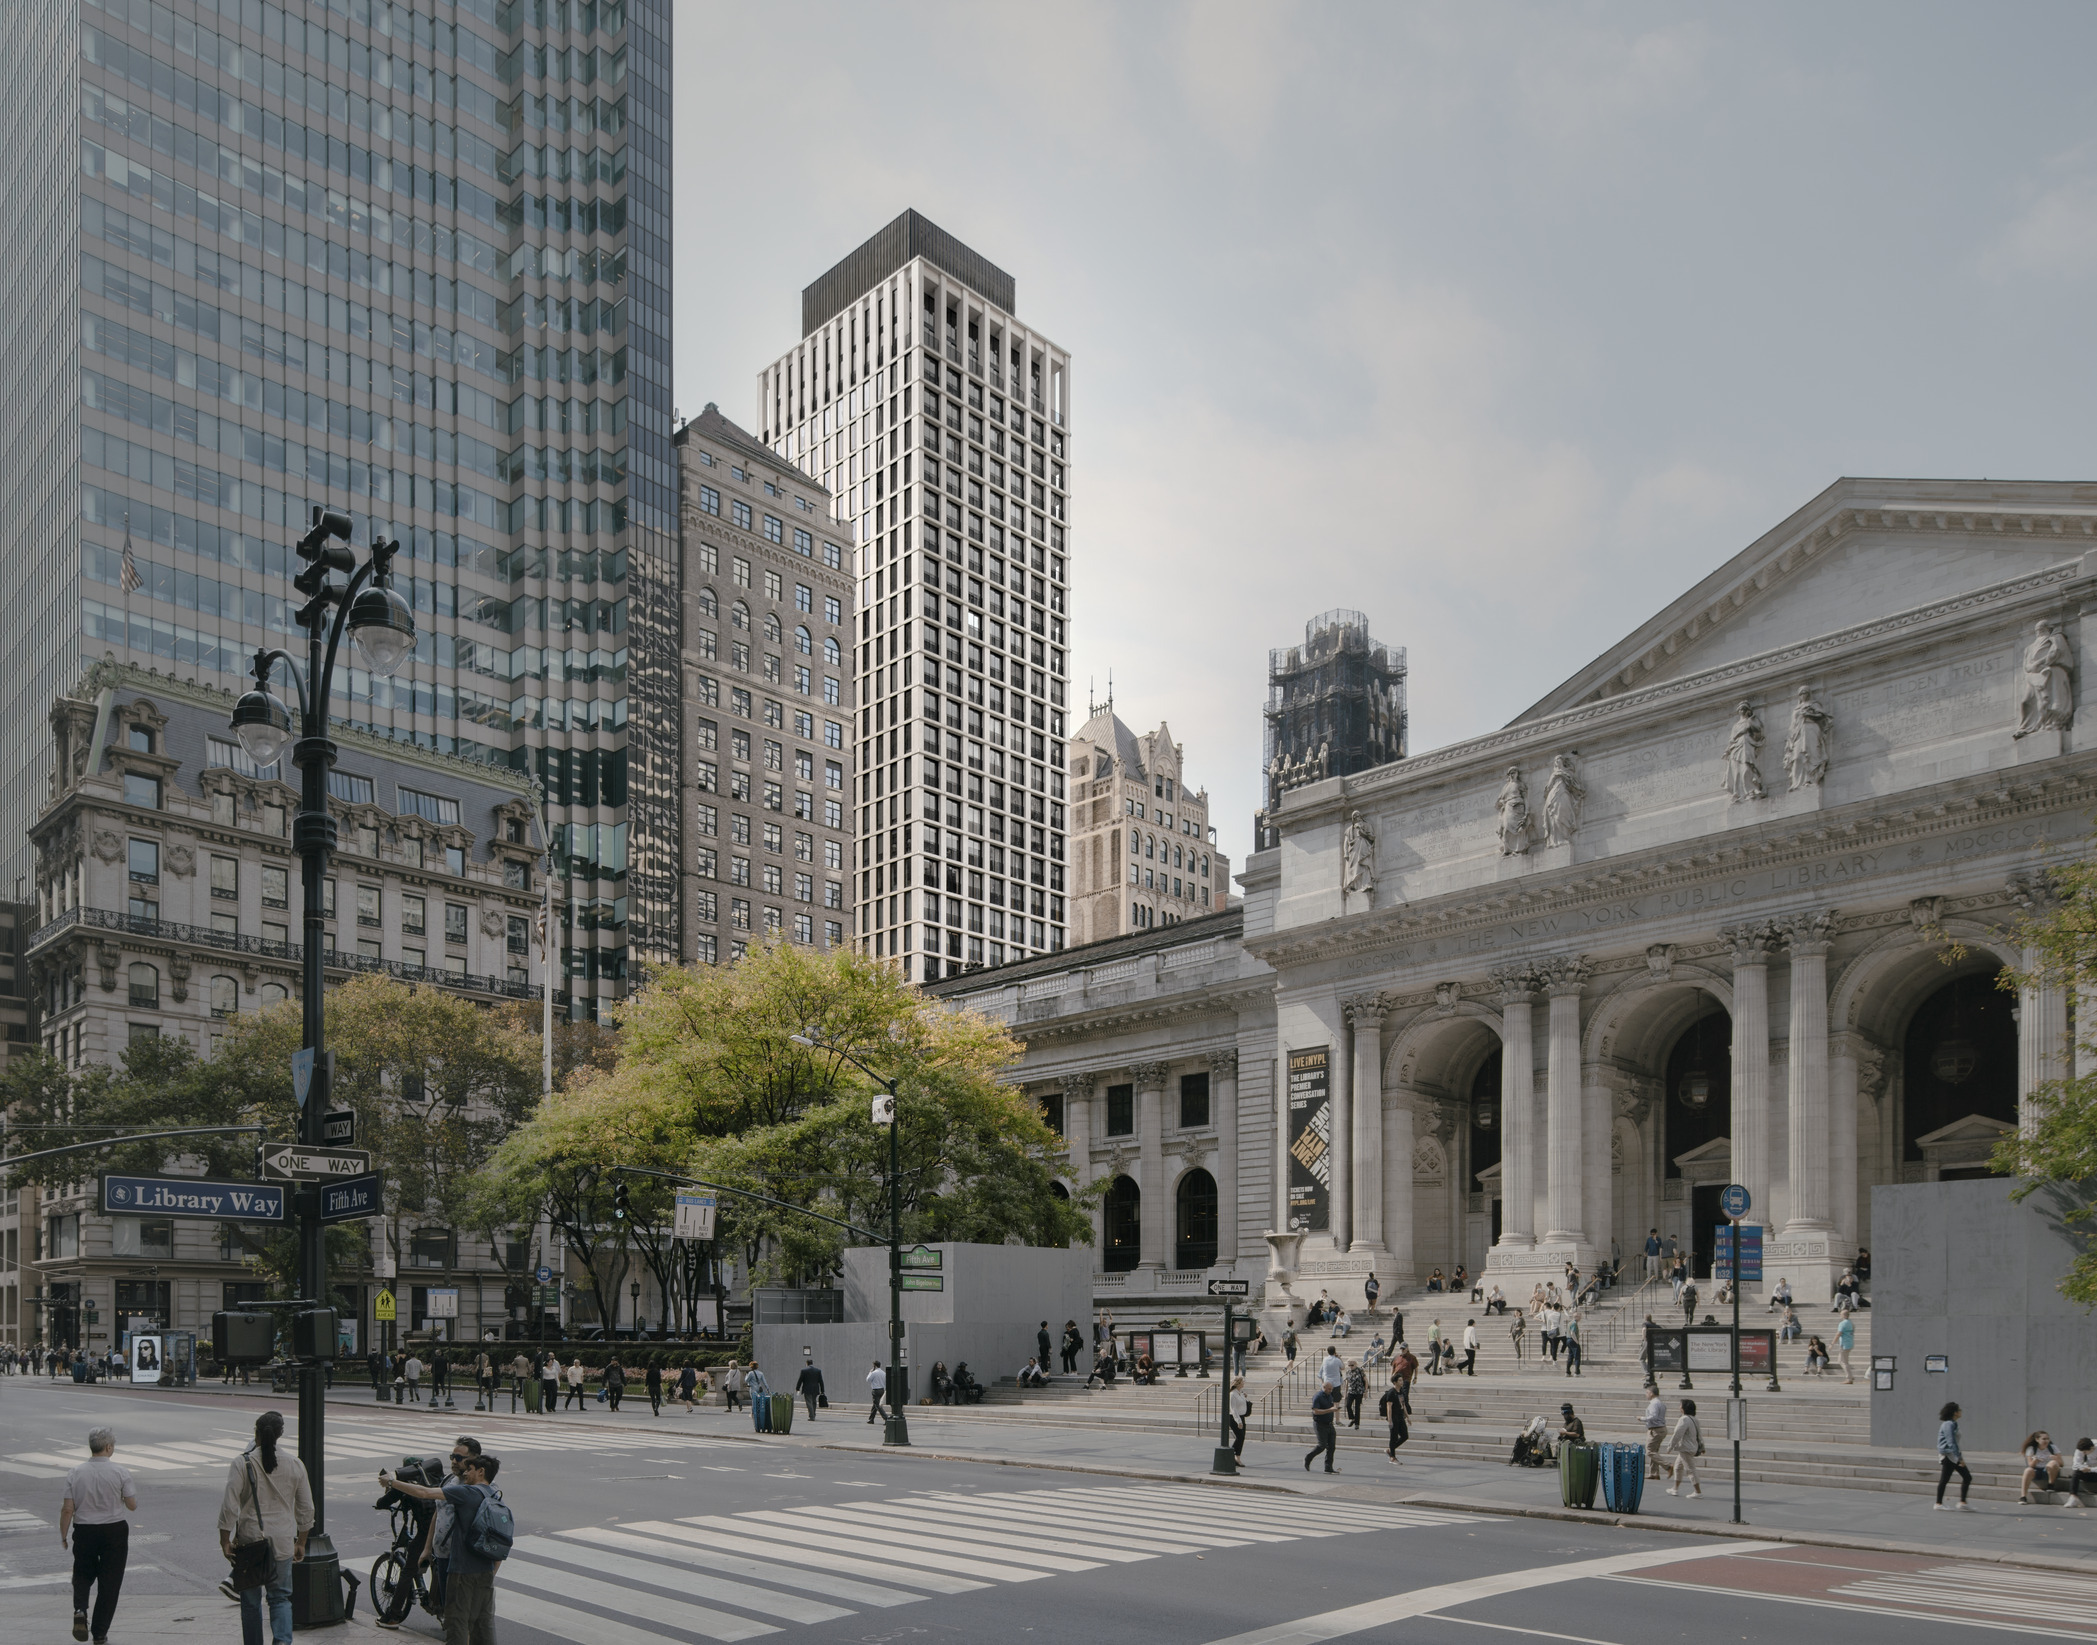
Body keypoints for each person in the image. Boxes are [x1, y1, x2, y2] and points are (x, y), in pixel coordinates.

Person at [379, 1449, 506, 1645]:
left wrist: (391, 1482)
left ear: (481, 1472)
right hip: (486, 1570)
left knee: (457, 1624)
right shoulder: (495, 1494)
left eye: (469, 1469)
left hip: (462, 1571)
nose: (465, 1473)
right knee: (483, 1625)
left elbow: (424, 1492)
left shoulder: (467, 1493)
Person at [218, 1411, 313, 1645]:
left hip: (251, 1541)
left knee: (250, 1602)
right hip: (282, 1541)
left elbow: (230, 1507)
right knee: (280, 1598)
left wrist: (225, 1539)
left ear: (256, 1433)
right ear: (280, 1435)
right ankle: (282, 1642)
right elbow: (306, 1509)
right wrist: (301, 1541)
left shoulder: (242, 1462)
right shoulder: (295, 1464)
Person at [62, 1426, 137, 1645]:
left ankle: (80, 1610)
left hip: (84, 1530)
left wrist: (63, 1535)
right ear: (109, 1447)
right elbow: (132, 1505)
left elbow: (67, 1508)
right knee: (110, 1582)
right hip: (114, 1529)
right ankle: (100, 1632)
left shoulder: (75, 1472)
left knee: (82, 1572)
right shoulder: (121, 1472)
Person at [1936, 1402, 1973, 1510]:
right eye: (1959, 1410)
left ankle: (1963, 1502)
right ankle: (1938, 1503)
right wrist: (1960, 1458)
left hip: (1953, 1455)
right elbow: (1951, 1442)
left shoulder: (1953, 1423)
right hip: (1948, 1455)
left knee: (1967, 1477)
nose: (1961, 1411)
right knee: (1944, 1479)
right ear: (1955, 1413)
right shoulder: (1948, 1424)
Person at [1664, 1398, 1702, 1497]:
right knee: (1677, 1467)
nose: (1679, 1407)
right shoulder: (1694, 1419)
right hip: (1689, 1447)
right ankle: (1675, 1488)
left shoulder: (1684, 1419)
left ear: (1684, 1408)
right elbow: (1699, 1434)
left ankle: (1698, 1492)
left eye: (1680, 1405)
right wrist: (1702, 1446)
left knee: (1690, 1469)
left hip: (1686, 1448)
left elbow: (1677, 1434)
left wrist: (1670, 1446)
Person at [1304, 1377, 1340, 1473]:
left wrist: (1334, 1408)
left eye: (1331, 1389)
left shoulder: (1330, 1396)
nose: (1330, 1391)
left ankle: (1328, 1467)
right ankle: (1309, 1457)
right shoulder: (1318, 1396)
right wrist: (1330, 1410)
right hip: (1320, 1424)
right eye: (1328, 1389)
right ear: (1323, 1387)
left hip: (1329, 1424)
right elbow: (1316, 1411)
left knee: (1332, 1446)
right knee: (1322, 1445)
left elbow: (1330, 1407)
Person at [2022, 1431, 2066, 1502]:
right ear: (2037, 1439)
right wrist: (2035, 1461)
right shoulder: (2031, 1449)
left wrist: (2056, 1459)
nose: (2046, 1441)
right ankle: (2023, 1496)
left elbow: (2062, 1464)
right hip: (2037, 1471)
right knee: (2027, 1470)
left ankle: (2050, 1485)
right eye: (2044, 1439)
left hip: (2049, 1472)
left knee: (2053, 1463)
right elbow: (2030, 1465)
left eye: (2047, 1439)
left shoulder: (2053, 1447)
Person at [1378, 1372, 1410, 1463]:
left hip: (1400, 1416)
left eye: (1402, 1380)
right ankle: (1392, 1457)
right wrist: (1390, 1419)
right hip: (1394, 1416)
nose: (1402, 1382)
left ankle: (1390, 1450)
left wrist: (1407, 1417)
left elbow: (1403, 1405)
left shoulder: (1401, 1392)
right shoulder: (1391, 1393)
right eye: (1400, 1380)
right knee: (1394, 1437)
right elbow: (1389, 1407)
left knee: (1405, 1436)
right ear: (1395, 1382)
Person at [1643, 1385, 1669, 1478]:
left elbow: (1653, 1417)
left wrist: (1642, 1418)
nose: (1646, 1395)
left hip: (1656, 1429)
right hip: (1660, 1428)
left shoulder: (1654, 1404)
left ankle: (1668, 1466)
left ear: (1651, 1393)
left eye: (1647, 1392)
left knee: (1649, 1451)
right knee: (1654, 1450)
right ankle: (1654, 1473)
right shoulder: (1660, 1403)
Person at [1227, 1376, 1251, 1461]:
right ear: (1238, 1383)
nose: (1243, 1383)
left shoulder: (1240, 1393)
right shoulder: (1232, 1394)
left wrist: (1245, 1397)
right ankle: (1229, 1453)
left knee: (1241, 1437)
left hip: (1241, 1417)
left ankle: (1237, 1457)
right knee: (1240, 1437)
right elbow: (1233, 1409)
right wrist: (1238, 1421)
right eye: (1242, 1382)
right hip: (1234, 1418)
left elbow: (1241, 1405)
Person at [2067, 1438, 2097, 1505]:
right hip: (2088, 1472)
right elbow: (2076, 1465)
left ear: (2092, 1448)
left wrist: (2091, 1469)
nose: (2083, 1453)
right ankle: (2073, 1497)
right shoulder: (2080, 1449)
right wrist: (2083, 1468)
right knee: (2076, 1473)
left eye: (2085, 1452)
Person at [1343, 1360, 1366, 1428]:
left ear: (1356, 1364)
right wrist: (1345, 1392)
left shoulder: (1360, 1370)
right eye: (1349, 1365)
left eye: (1352, 1365)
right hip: (1351, 1391)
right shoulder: (1348, 1372)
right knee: (1348, 1405)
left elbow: (1365, 1380)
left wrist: (1365, 1391)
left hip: (1359, 1391)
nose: (1351, 1367)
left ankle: (1357, 1423)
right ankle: (1353, 1418)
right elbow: (1347, 1383)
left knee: (1357, 1407)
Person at [1835, 1314, 1856, 1383]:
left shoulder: (1842, 1323)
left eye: (1841, 1314)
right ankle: (1850, 1376)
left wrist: (1832, 1343)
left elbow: (1839, 1333)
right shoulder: (1851, 1323)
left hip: (1844, 1344)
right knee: (1844, 1361)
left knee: (1842, 1361)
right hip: (1849, 1343)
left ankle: (1849, 1378)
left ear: (1843, 1315)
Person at [865, 1359, 887, 1424]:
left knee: (877, 1405)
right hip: (882, 1390)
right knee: (875, 1405)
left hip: (876, 1390)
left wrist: (870, 1372)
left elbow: (868, 1380)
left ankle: (886, 1418)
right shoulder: (883, 1373)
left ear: (874, 1366)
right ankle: (871, 1419)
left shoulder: (874, 1373)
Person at [1561, 1311, 1582, 1376]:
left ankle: (1568, 1372)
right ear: (1577, 1317)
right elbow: (1572, 1333)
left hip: (1568, 1340)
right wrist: (1577, 1342)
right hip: (1572, 1340)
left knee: (1570, 1356)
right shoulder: (1574, 1323)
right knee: (1577, 1356)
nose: (1581, 1317)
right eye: (1580, 1316)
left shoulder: (1570, 1323)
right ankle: (1577, 1372)